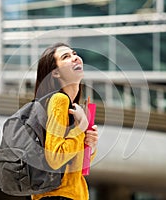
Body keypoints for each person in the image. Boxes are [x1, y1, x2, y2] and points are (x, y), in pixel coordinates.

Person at [31, 43, 99, 200]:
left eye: (74, 53)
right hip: (59, 196)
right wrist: (80, 128)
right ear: (55, 73)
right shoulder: (59, 100)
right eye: (66, 57)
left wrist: (91, 146)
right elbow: (55, 159)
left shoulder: (71, 106)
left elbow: (74, 167)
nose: (75, 57)